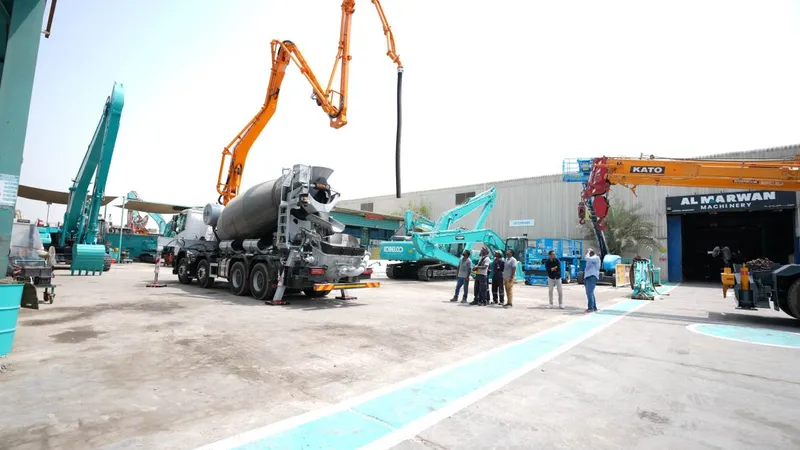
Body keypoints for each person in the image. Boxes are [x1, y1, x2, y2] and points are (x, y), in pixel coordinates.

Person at [583, 248, 601, 312]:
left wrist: (588, 252)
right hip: (588, 277)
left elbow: (587, 258)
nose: (586, 254)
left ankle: (590, 308)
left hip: (592, 277)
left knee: (589, 293)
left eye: (587, 252)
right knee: (590, 293)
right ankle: (594, 307)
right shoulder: (590, 259)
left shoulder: (596, 258)